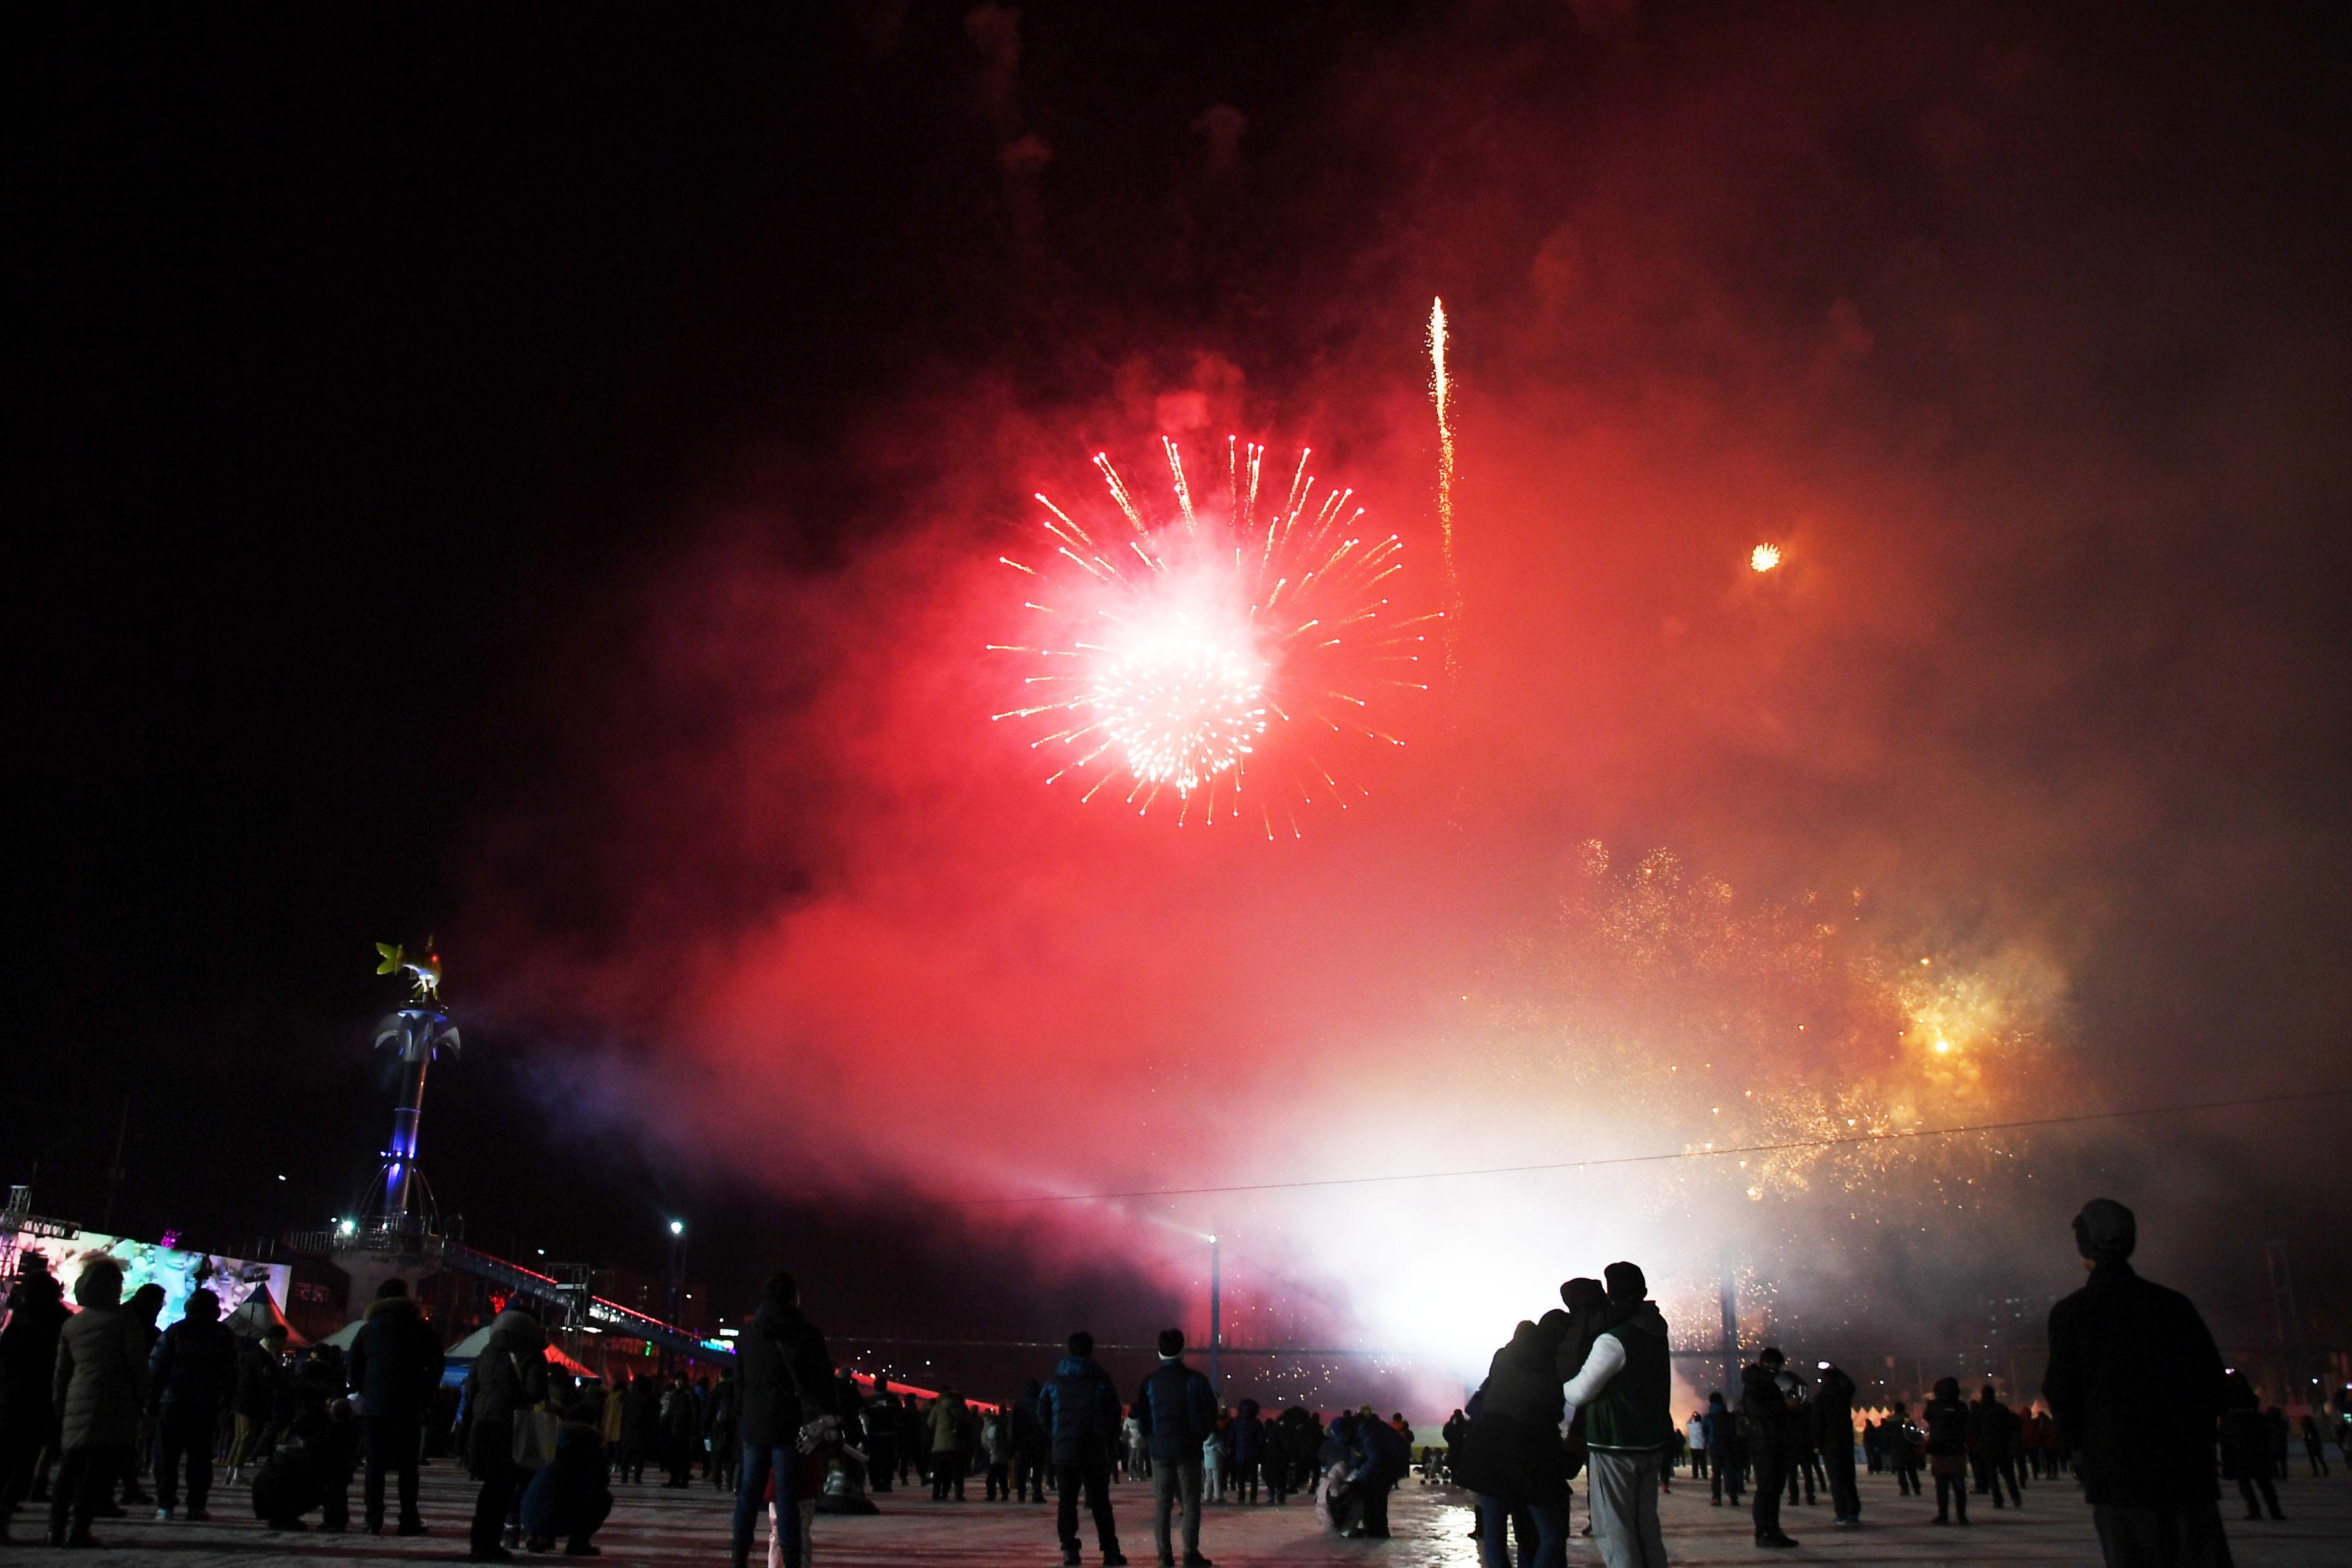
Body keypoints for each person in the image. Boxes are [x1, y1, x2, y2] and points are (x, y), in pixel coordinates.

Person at [2043, 1199, 2232, 1568]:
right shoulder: (2173, 1305)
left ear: (2085, 1247)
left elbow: (2061, 1393)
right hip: (2187, 1472)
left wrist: (2078, 1450)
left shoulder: (2072, 1313)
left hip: (2118, 1475)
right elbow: (2213, 1385)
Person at [1558, 1262, 1669, 1568]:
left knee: (1614, 1531)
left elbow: (1578, 1392)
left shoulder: (1614, 1340)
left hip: (1615, 1443)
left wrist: (1562, 1383)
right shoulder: (1656, 1328)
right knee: (1646, 1528)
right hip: (1650, 1441)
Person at [732, 1271, 837, 1568]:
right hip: (790, 1425)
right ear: (794, 1297)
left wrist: (744, 1416)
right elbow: (821, 1380)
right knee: (787, 1497)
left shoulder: (747, 1334)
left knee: (748, 1496)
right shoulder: (806, 1333)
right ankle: (791, 1560)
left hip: (754, 1425)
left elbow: (738, 1382)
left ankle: (738, 1557)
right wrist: (831, 1416)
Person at [1453, 1316, 1573, 1568]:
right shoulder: (1554, 1364)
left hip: (1487, 1450)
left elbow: (1479, 1402)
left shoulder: (1503, 1358)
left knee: (1494, 1536)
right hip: (1529, 1452)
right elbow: (1554, 1412)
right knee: (1550, 1534)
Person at [47, 1259, 147, 1549]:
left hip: (77, 1399)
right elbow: (137, 1366)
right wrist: (143, 1398)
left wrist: (60, 1404)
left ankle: (54, 1529)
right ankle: (80, 1530)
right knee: (96, 1473)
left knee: (69, 1470)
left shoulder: (72, 1323)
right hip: (114, 1401)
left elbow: (61, 1373)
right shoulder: (124, 1321)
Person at [348, 1277, 443, 1535]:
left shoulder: (368, 1329)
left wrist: (365, 1390)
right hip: (409, 1404)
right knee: (408, 1468)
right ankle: (408, 1518)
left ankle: (373, 1518)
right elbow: (436, 1362)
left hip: (375, 1406)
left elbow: (353, 1366)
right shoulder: (420, 1328)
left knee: (375, 1465)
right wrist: (426, 1391)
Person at [462, 1298, 550, 1561]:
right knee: (502, 1489)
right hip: (510, 1428)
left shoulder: (488, 1351)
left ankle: (479, 1540)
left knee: (490, 1487)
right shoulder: (530, 1353)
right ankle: (488, 1543)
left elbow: (470, 1388)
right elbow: (536, 1392)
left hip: (482, 1426)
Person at [148, 1285, 237, 1522]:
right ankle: (196, 1505)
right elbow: (231, 1372)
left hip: (173, 1400)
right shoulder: (223, 1335)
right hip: (205, 1403)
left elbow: (157, 1368)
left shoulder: (175, 1331)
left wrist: (152, 1400)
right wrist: (227, 1401)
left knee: (166, 1457)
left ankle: (166, 1505)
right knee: (200, 1457)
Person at [1039, 1330, 1127, 1567]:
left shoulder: (1054, 1382)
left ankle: (1069, 1551)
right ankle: (1110, 1552)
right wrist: (1107, 1439)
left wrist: (1057, 1437)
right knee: (1100, 1502)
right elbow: (1113, 1414)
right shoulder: (1102, 1381)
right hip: (1094, 1450)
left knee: (1067, 1501)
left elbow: (1043, 1414)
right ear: (1091, 1350)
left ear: (1068, 1350)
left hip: (1064, 1452)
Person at [0, 1260, 69, 1544]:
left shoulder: (20, 1318)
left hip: (11, 1397)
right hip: (40, 1399)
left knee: (8, 1460)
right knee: (22, 1464)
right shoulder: (58, 1321)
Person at [1139, 1328, 1216, 1567]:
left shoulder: (1150, 1382)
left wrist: (1153, 1438)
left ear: (1159, 1352)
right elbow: (1210, 1413)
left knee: (1163, 1501)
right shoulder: (1195, 1380)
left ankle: (1164, 1555)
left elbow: (1143, 1419)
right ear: (1183, 1350)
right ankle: (1190, 1553)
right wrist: (1199, 1436)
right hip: (1188, 1449)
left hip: (1160, 1450)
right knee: (1191, 1500)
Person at [519, 1396, 614, 1556]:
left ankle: (538, 1536)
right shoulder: (590, 1445)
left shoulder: (551, 1441)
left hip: (530, 1516)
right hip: (562, 1518)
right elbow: (601, 1483)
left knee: (547, 1488)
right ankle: (578, 1543)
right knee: (604, 1498)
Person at [1736, 1348, 1796, 1548]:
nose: (1779, 1371)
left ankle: (1774, 1530)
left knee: (1775, 1489)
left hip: (1775, 1441)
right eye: (1776, 1367)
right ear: (1768, 1365)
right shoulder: (1756, 1384)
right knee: (1767, 1489)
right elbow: (1758, 1411)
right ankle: (1763, 1532)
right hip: (1763, 1443)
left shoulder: (1770, 1384)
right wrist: (1785, 1407)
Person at [2219, 1373, 2282, 1522]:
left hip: (2239, 1447)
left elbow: (2224, 1430)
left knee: (2246, 1482)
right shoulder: (2251, 1405)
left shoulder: (2230, 1407)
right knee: (2263, 1482)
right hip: (2255, 1446)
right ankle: (2274, 1510)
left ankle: (2255, 1510)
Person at [1812, 1362, 1859, 1526]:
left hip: (1829, 1443)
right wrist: (1838, 1371)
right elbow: (1851, 1385)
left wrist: (1817, 1444)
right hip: (1845, 1441)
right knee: (1849, 1478)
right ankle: (1854, 1512)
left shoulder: (1821, 1398)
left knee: (1836, 1479)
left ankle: (1841, 1513)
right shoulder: (1843, 1395)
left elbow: (1817, 1423)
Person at [1922, 1377, 1971, 1525]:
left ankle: (1943, 1515)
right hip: (1957, 1450)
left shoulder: (1934, 1406)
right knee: (1959, 1485)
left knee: (1941, 1485)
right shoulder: (1961, 1407)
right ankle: (1961, 1515)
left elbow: (1927, 1417)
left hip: (1940, 1449)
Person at [926, 1388, 970, 1500]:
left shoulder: (938, 1407)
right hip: (957, 1446)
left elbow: (930, 1424)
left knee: (939, 1472)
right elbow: (968, 1424)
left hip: (940, 1446)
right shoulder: (962, 1408)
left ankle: (937, 1493)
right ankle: (958, 1494)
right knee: (957, 1473)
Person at [1012, 1379, 1048, 1503]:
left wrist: (1014, 1443)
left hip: (1023, 1442)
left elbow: (1014, 1426)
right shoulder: (1041, 1403)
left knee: (1022, 1469)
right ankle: (1037, 1494)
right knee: (1037, 1470)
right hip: (1038, 1441)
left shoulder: (1019, 1404)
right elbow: (1045, 1422)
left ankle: (1021, 1494)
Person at [620, 1370, 659, 1484]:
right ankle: (637, 1476)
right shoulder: (650, 1398)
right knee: (639, 1455)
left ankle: (624, 1476)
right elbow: (653, 1416)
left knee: (626, 1455)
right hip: (643, 1430)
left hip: (629, 1429)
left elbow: (624, 1414)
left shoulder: (629, 1397)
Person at [1704, 1391, 1741, 1507]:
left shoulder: (1708, 1418)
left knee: (1716, 1474)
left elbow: (1705, 1433)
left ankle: (1716, 1498)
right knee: (1730, 1473)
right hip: (1729, 1448)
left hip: (1715, 1448)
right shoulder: (1731, 1416)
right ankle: (1733, 1498)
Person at [863, 1384, 899, 1494]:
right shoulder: (892, 1399)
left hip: (874, 1434)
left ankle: (875, 1483)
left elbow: (865, 1416)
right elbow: (899, 1415)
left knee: (874, 1460)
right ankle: (887, 1483)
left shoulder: (869, 1400)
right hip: (889, 1433)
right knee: (888, 1460)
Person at [1230, 1399, 1263, 1503]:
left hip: (1240, 1453)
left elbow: (1231, 1438)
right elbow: (1262, 1439)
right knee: (1253, 1477)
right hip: (1253, 1453)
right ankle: (1253, 1498)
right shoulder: (1257, 1423)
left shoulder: (1236, 1423)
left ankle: (1241, 1496)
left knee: (1241, 1478)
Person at [1886, 1402, 1921, 1496]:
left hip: (1896, 1449)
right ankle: (1917, 1488)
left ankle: (1905, 1489)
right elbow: (1914, 1435)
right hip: (1908, 1448)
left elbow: (1887, 1437)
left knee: (1900, 1471)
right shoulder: (1908, 1421)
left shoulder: (1890, 1422)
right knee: (1912, 1470)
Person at [2300, 1413, 2330, 1478]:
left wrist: (2308, 1440)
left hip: (2313, 1446)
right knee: (2318, 1459)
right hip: (2313, 1446)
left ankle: (2320, 1471)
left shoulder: (2309, 1428)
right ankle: (2322, 1470)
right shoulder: (2310, 1427)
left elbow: (2311, 1437)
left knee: (2317, 1459)